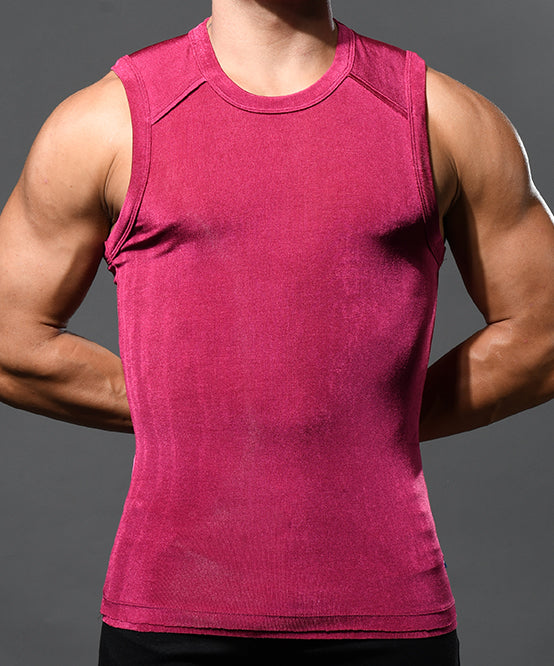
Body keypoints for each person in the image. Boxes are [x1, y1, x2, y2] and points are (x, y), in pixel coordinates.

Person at [0, 0, 552, 664]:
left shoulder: (444, 118)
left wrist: (367, 421)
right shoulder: (105, 122)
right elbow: (10, 345)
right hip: (172, 613)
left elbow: (543, 338)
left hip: (390, 615)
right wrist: (204, 416)